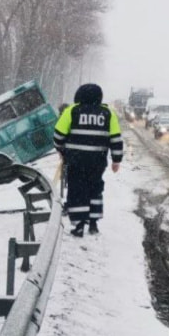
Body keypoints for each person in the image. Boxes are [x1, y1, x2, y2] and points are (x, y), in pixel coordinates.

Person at [53, 83, 123, 237]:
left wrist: (61, 149)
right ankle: (93, 224)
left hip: (76, 161)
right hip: (97, 162)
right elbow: (116, 139)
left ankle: (78, 225)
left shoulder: (72, 110)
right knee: (95, 189)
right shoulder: (108, 113)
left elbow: (58, 135)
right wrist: (116, 160)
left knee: (77, 190)